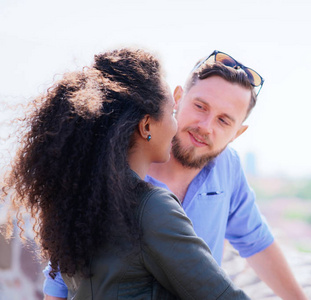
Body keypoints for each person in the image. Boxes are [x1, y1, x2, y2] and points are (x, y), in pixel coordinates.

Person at [43, 50, 308, 300]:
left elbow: (256, 242)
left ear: (238, 132)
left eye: (224, 120)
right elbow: (60, 275)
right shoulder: (116, 170)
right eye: (201, 106)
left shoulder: (228, 167)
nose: (205, 127)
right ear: (178, 98)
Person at [1, 48, 249, 299]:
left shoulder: (82, 200)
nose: (175, 126)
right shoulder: (151, 208)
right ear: (146, 125)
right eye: (170, 111)